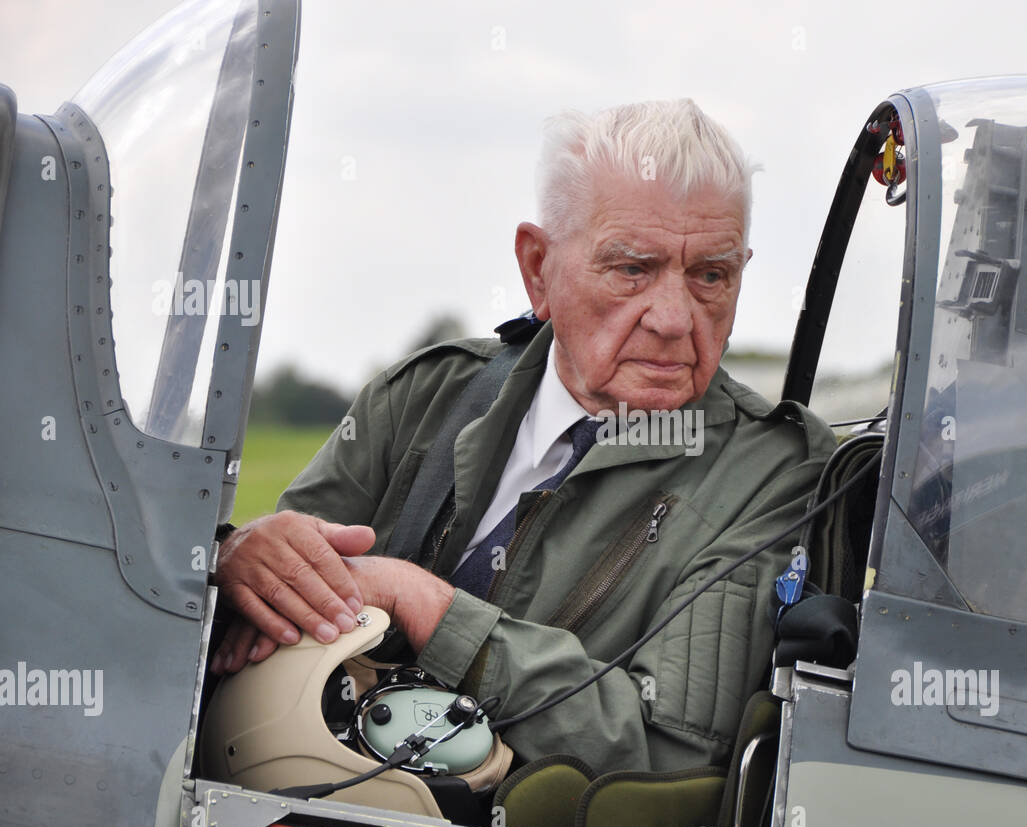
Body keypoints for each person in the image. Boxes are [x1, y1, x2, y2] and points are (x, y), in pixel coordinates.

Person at [210, 99, 836, 776]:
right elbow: (246, 620)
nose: (673, 318)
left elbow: (668, 749)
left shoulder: (779, 475)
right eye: (632, 269)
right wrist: (237, 560)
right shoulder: (424, 397)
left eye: (711, 275)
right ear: (539, 269)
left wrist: (422, 602)